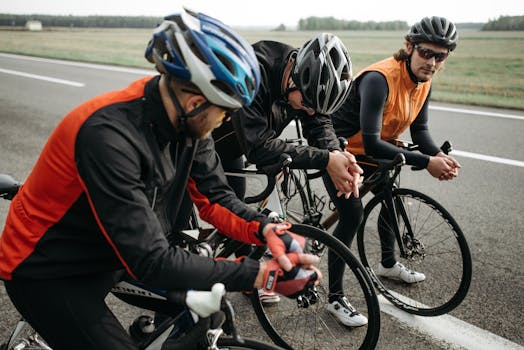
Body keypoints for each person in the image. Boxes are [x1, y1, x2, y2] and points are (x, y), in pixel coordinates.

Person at [0, 9, 321, 350]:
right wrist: (260, 275)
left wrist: (267, 229)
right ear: (196, 101)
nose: (225, 120)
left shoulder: (189, 123)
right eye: (224, 111)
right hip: (51, 270)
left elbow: (215, 198)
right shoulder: (108, 136)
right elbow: (152, 261)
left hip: (117, 251)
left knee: (207, 315)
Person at [211, 33, 368, 326]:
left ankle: (244, 277)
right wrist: (325, 159)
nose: (308, 111)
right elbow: (259, 147)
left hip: (233, 147)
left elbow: (318, 121)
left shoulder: (308, 87)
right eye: (306, 103)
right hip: (201, 143)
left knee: (236, 211)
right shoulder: (253, 72)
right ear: (293, 77)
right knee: (185, 232)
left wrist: (337, 156)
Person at [325, 16, 462, 296]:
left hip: (374, 147)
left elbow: (420, 130)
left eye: (440, 56)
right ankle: (335, 296)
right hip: (341, 149)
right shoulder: (380, 79)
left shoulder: (424, 80)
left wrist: (438, 156)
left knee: (390, 196)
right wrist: (427, 163)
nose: (432, 63)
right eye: (425, 52)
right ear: (409, 46)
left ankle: (388, 264)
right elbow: (373, 143)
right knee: (352, 216)